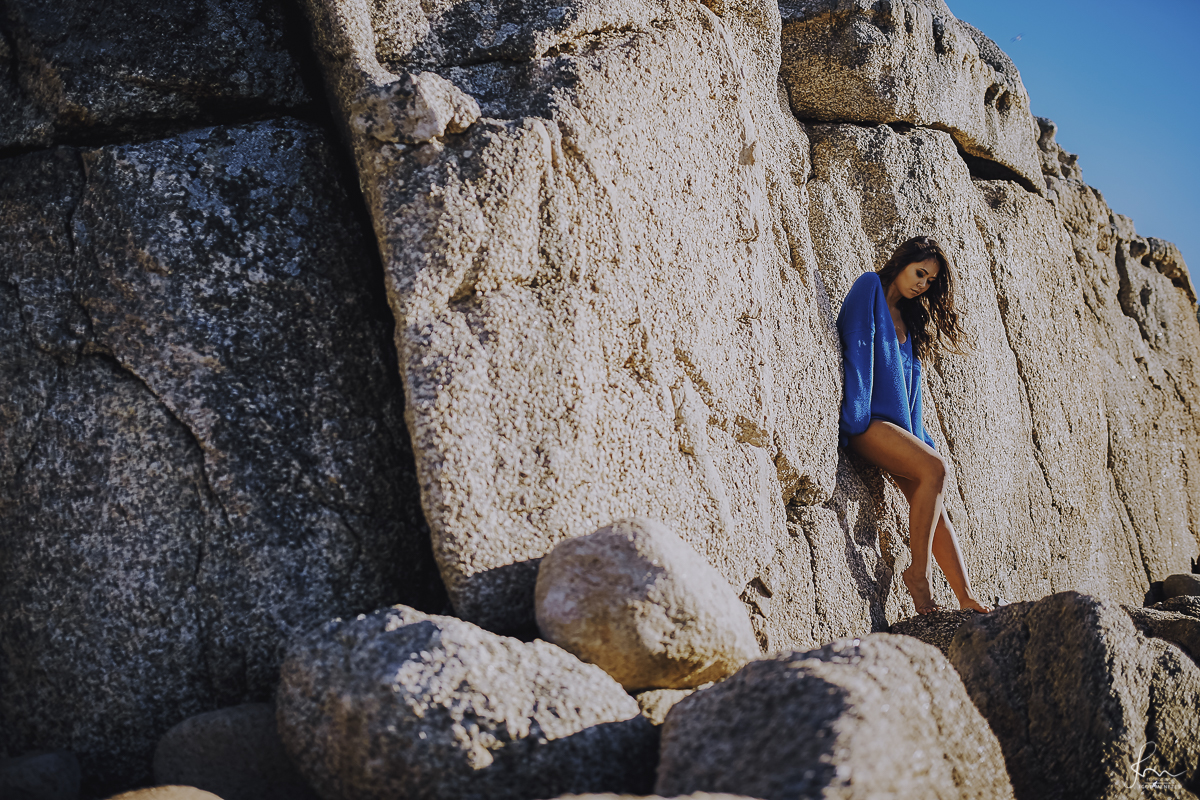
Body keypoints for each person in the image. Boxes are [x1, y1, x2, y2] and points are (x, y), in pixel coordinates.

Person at [837, 236, 990, 615]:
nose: (923, 284)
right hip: (868, 423)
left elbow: (912, 392)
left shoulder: (911, 320)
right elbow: (855, 345)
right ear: (901, 262)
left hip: (898, 431)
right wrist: (853, 416)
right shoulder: (869, 286)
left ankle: (965, 596)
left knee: (934, 498)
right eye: (919, 273)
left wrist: (918, 439)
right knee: (937, 469)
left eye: (930, 280)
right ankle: (918, 576)